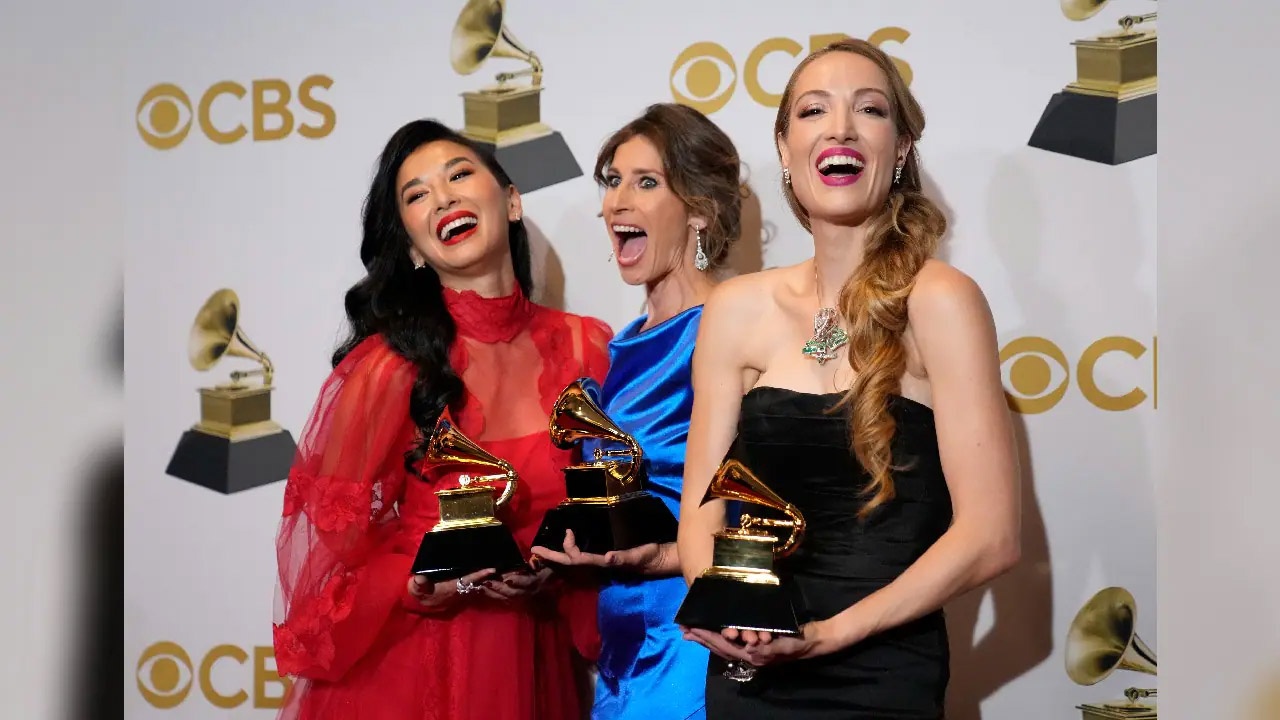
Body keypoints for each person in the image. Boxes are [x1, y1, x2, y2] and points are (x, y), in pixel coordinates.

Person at [675, 38, 1022, 719]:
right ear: (783, 148)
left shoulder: (941, 299)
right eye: (812, 111)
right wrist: (723, 611)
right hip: (749, 677)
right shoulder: (736, 309)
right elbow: (701, 514)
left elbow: (991, 536)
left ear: (899, 149)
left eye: (869, 109)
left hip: (880, 678)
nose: (839, 127)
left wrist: (831, 634)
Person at [271, 119, 612, 720]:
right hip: (415, 669)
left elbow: (613, 512)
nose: (445, 197)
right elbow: (334, 553)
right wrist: (418, 583)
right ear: (412, 249)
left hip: (539, 661)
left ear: (510, 201)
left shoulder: (590, 349)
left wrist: (558, 574)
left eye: (458, 175)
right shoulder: (385, 368)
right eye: (417, 195)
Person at [531, 103, 744, 720]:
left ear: (700, 208)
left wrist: (657, 558)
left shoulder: (728, 328)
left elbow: (769, 516)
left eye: (646, 182)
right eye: (613, 181)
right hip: (621, 647)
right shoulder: (621, 346)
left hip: (694, 641)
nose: (616, 202)